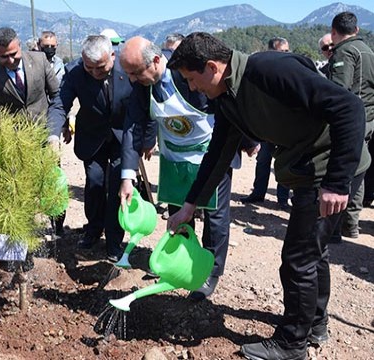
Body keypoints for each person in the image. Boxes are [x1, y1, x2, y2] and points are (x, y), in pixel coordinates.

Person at [167, 32, 369, 359]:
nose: (192, 88)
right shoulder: (228, 97)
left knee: (298, 259)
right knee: (312, 254)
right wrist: (190, 203)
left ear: (211, 67)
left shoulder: (270, 71)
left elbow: (350, 108)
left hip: (327, 167)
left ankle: (292, 344)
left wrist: (337, 181)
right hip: (309, 169)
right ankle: (314, 324)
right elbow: (218, 152)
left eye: (192, 79)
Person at [118, 36, 249, 300]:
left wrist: (247, 139)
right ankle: (180, 262)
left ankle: (210, 272)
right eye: (129, 74)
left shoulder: (188, 73)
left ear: (156, 61)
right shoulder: (143, 86)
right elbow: (133, 125)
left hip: (208, 155)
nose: (132, 80)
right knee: (178, 214)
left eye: (136, 73)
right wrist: (127, 177)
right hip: (174, 158)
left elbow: (227, 106)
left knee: (214, 216)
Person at [0, 27, 66, 237]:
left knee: (52, 184)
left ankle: (57, 229)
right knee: (20, 188)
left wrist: (55, 132)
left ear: (19, 45)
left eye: (13, 54)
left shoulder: (39, 61)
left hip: (45, 135)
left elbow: (57, 98)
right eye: (3, 57)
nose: (10, 60)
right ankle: (24, 232)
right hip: (15, 140)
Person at [59, 35, 132, 262]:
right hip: (92, 136)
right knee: (95, 181)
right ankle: (93, 229)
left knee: (117, 188)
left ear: (112, 56)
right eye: (88, 67)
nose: (94, 73)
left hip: (123, 137)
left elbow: (143, 105)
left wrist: (146, 139)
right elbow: (61, 102)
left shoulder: (128, 68)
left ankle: (113, 240)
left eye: (99, 68)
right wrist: (59, 126)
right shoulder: (76, 71)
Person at [327, 11, 374, 238]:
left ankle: (336, 226)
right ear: (356, 30)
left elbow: (338, 91)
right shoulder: (369, 51)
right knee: (359, 170)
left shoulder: (345, 52)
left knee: (344, 170)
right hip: (368, 119)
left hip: (350, 123)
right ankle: (351, 223)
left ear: (334, 33)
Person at [240, 37, 292, 210]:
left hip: (283, 126)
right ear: (272, 51)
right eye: (283, 51)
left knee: (283, 162)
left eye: (287, 51)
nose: (286, 54)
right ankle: (258, 193)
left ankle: (282, 199)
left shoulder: (290, 71)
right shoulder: (262, 70)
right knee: (263, 160)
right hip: (265, 125)